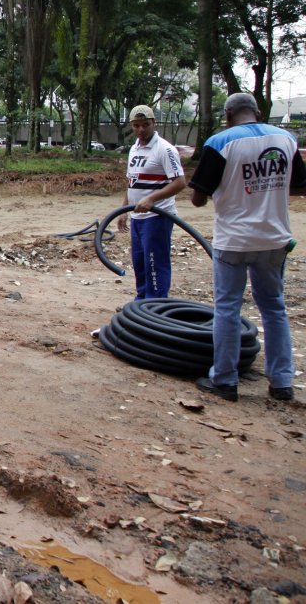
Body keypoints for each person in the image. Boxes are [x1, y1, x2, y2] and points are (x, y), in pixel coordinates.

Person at [189, 92, 305, 402]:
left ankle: (225, 380)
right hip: (274, 238)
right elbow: (298, 185)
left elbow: (198, 198)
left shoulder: (221, 143)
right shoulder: (286, 139)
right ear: (257, 111)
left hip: (234, 240)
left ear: (228, 115)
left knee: (227, 308)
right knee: (274, 308)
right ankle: (281, 383)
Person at [119, 105, 188, 299]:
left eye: (145, 125)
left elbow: (180, 182)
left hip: (157, 216)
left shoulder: (165, 149)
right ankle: (141, 302)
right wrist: (124, 210)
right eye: (136, 126)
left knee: (154, 263)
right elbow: (132, 182)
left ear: (154, 123)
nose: (141, 130)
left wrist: (152, 198)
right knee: (139, 261)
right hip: (137, 217)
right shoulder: (134, 148)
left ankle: (155, 304)